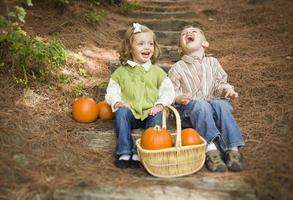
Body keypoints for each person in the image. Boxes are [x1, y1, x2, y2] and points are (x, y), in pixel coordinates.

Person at [168, 26, 245, 172]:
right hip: (190, 111)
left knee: (222, 105)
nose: (189, 33)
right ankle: (211, 150)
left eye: (193, 32)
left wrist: (227, 89)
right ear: (179, 49)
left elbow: (220, 83)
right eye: (184, 33)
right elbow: (171, 92)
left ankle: (232, 149)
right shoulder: (177, 68)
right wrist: (178, 98)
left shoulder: (213, 63)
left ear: (205, 43)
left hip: (213, 106)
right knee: (201, 105)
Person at [105, 23, 175, 169]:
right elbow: (112, 90)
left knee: (157, 117)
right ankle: (124, 151)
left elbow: (168, 91)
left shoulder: (157, 72)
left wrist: (160, 104)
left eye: (150, 43)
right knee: (121, 114)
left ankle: (142, 152)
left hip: (150, 112)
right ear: (130, 48)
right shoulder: (121, 72)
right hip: (130, 111)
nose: (147, 47)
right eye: (141, 43)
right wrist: (117, 101)